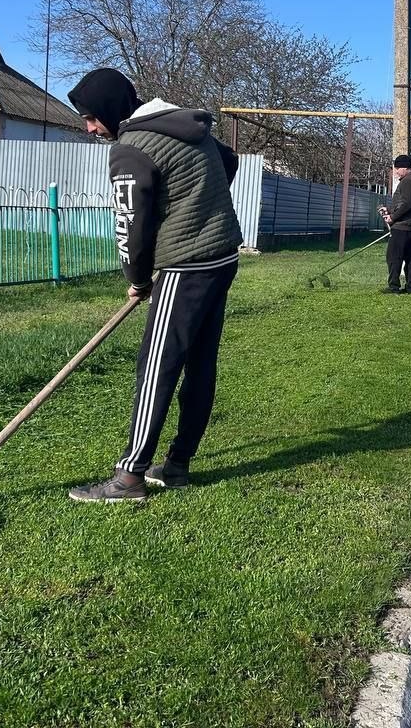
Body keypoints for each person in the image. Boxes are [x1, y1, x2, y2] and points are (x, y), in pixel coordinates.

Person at [64, 67, 243, 504]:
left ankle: (129, 478)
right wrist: (198, 206)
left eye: (91, 118)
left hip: (186, 267)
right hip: (222, 256)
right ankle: (177, 465)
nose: (90, 128)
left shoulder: (131, 148)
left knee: (156, 367)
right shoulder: (185, 126)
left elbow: (131, 225)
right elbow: (229, 160)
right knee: (200, 363)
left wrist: (138, 279)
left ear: (109, 109)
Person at [378, 154, 411, 293]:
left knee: (394, 256)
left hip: (402, 225)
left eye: (397, 168)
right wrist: (389, 210)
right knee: (410, 256)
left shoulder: (408, 181)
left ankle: (394, 287)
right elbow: (406, 204)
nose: (396, 172)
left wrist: (392, 217)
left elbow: (406, 204)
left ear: (404, 167)